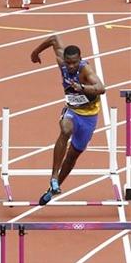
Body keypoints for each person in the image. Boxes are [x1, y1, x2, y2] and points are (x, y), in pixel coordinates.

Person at [30, 35, 105, 205]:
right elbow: (54, 39)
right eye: (68, 62)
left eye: (74, 63)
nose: (71, 66)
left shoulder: (86, 71)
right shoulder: (62, 62)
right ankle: (54, 176)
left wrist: (83, 88)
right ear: (64, 59)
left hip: (89, 117)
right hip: (72, 111)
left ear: (80, 59)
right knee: (65, 130)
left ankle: (53, 189)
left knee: (72, 156)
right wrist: (35, 53)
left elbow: (101, 88)